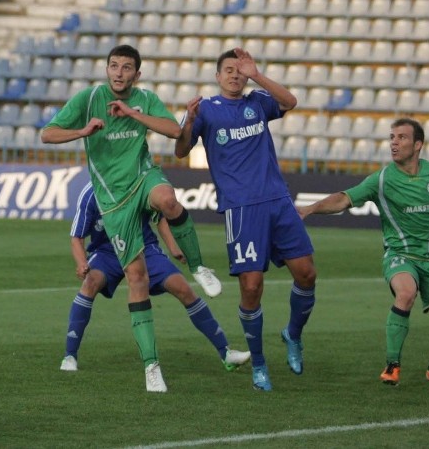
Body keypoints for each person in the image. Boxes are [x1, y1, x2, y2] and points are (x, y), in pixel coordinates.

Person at [41, 44, 221, 393]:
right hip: (113, 201)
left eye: (126, 68)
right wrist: (82, 132)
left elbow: (173, 132)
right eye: (113, 66)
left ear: (137, 74)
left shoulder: (145, 98)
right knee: (136, 277)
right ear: (107, 69)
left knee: (168, 200)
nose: (119, 73)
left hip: (143, 178)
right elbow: (47, 134)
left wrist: (131, 113)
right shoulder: (87, 100)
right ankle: (151, 366)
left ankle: (199, 267)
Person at [175, 48, 317, 392]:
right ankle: (259, 364)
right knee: (251, 288)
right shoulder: (206, 109)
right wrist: (190, 122)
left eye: (240, 70)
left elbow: (291, 100)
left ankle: (292, 335)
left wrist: (258, 73)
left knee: (307, 273)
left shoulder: (258, 100)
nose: (235, 75)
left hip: (278, 201)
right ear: (217, 75)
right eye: (229, 70)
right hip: (241, 209)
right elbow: (180, 151)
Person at [297, 117, 429, 391]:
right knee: (406, 292)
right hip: (400, 255)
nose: (394, 143)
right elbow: (343, 198)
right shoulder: (382, 179)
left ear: (417, 145)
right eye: (392, 137)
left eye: (401, 137)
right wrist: (309, 209)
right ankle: (392, 364)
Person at [60, 182, 250, 373]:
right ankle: (69, 356)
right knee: (90, 283)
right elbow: (77, 236)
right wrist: (81, 263)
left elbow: (159, 217)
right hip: (107, 253)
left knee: (183, 288)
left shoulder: (136, 184)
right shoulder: (91, 193)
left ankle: (226, 352)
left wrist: (174, 248)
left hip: (144, 249)